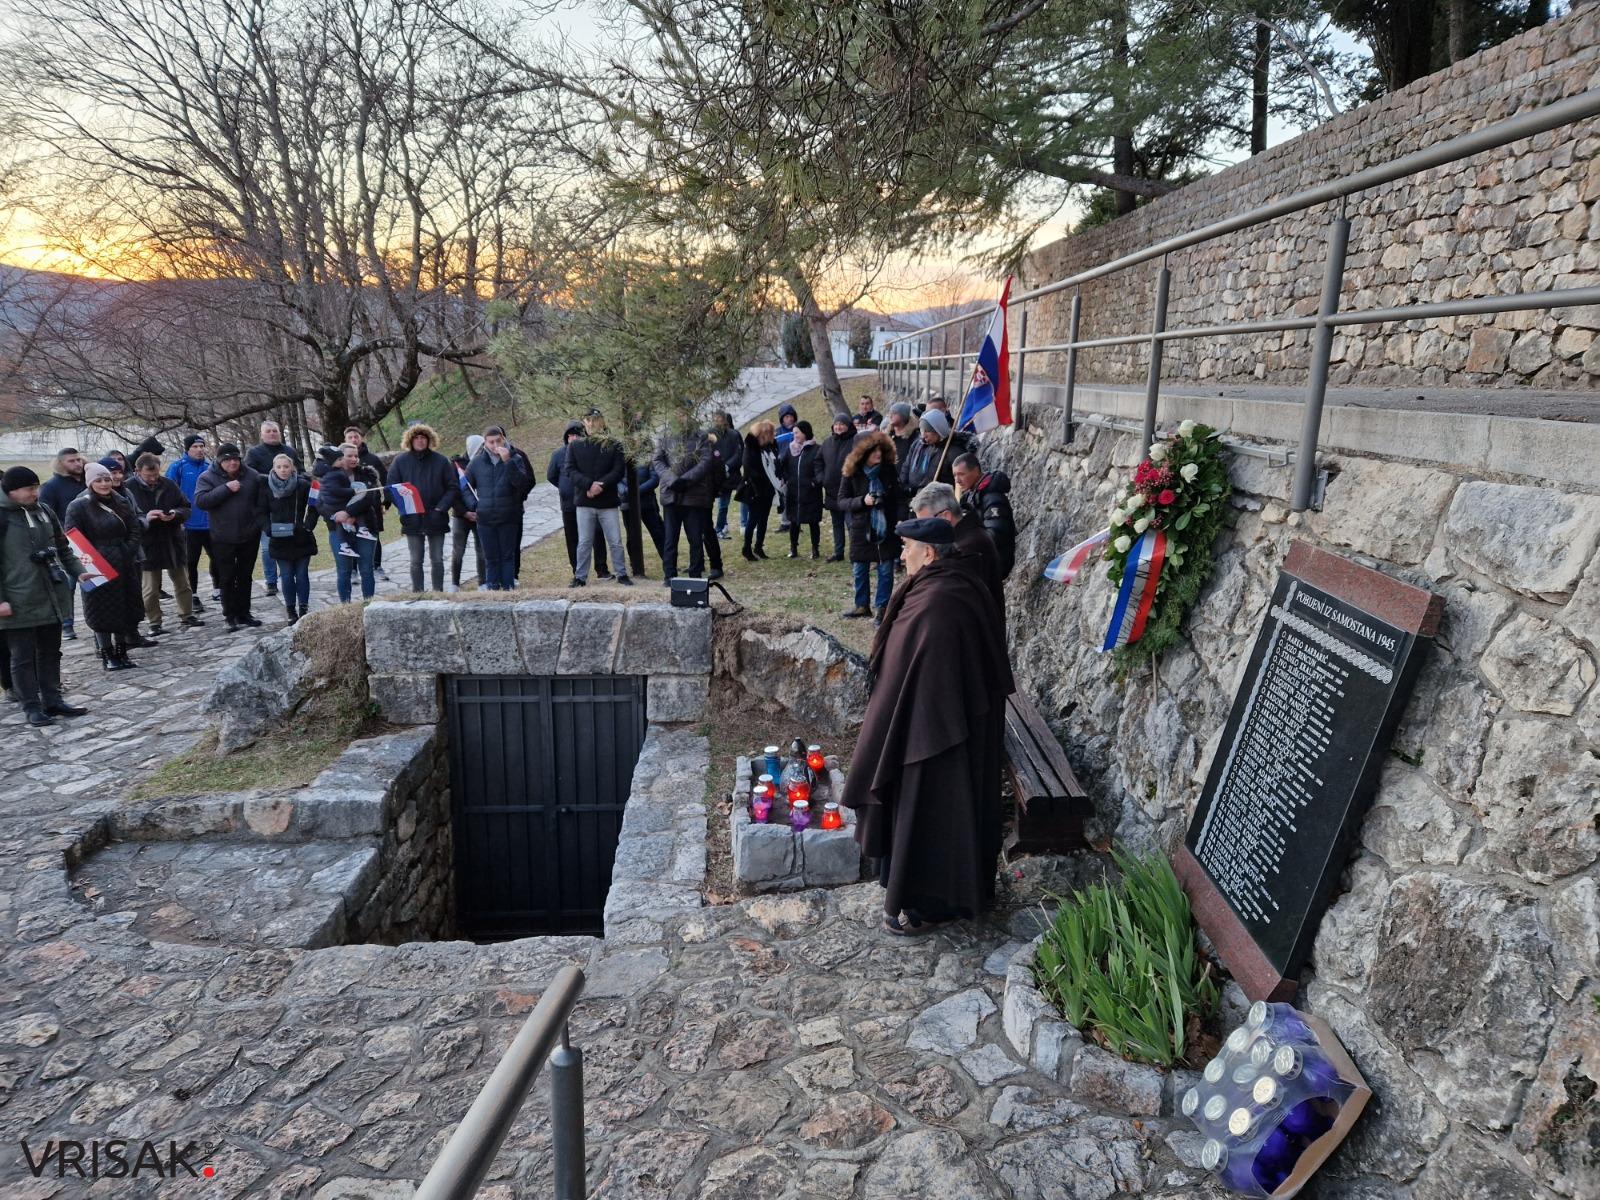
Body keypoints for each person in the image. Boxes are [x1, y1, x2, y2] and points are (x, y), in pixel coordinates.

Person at [841, 515, 1013, 934]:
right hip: (931, 724)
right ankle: (917, 892)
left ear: (930, 552)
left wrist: (901, 723)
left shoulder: (943, 600)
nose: (902, 555)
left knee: (935, 815)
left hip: (937, 735)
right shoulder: (944, 586)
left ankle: (933, 903)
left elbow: (924, 670)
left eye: (907, 548)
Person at [0, 466, 92, 725]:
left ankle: (52, 699)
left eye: (36, 487)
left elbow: (63, 547)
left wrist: (79, 571)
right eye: (29, 489)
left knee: (51, 651)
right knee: (22, 656)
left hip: (50, 594)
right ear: (12, 491)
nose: (35, 492)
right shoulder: (2, 516)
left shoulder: (43, 510)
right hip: (17, 600)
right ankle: (31, 706)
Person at [65, 463, 147, 668]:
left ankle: (122, 651)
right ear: (90, 482)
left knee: (123, 607)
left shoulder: (121, 501)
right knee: (100, 610)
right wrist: (91, 563)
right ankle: (107, 654)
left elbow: (134, 529)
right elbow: (73, 538)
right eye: (98, 480)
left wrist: (127, 550)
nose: (103, 484)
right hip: (94, 564)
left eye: (106, 479)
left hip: (123, 560)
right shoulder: (78, 506)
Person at [126, 452, 199, 635]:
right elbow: (126, 518)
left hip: (172, 540)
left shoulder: (168, 484)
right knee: (150, 589)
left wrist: (175, 514)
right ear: (137, 471)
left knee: (183, 582)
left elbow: (186, 507)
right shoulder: (129, 489)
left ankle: (187, 614)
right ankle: (154, 622)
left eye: (156, 474)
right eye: (148, 475)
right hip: (147, 543)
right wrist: (146, 518)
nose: (152, 479)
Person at [195, 444, 267, 629]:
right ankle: (230, 616)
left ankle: (244, 613)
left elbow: (262, 500)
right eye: (227, 459)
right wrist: (226, 488)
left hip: (249, 535)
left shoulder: (252, 475)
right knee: (226, 577)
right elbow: (201, 501)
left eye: (236, 459)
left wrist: (257, 522)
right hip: (222, 536)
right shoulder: (207, 477)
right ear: (220, 461)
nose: (233, 462)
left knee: (245, 576)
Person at [837, 430, 901, 622]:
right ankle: (861, 605)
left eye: (879, 450)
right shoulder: (851, 473)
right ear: (862, 453)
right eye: (873, 451)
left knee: (885, 570)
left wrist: (898, 516)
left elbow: (899, 498)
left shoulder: (888, 470)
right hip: (860, 527)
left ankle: (882, 608)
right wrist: (861, 502)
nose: (878, 454)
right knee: (860, 569)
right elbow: (841, 501)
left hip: (886, 527)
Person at [913, 481, 1004, 615]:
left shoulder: (968, 547)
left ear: (945, 517)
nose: (924, 531)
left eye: (926, 523)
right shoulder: (966, 537)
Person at [385, 423, 456, 593]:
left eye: (423, 437)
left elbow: (453, 487)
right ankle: (418, 593)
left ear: (429, 439)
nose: (420, 440)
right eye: (416, 437)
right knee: (416, 559)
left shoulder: (441, 460)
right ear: (410, 440)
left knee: (437, 558)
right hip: (412, 518)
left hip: (436, 516)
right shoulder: (400, 461)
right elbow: (392, 488)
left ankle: (438, 592)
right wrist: (405, 509)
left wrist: (441, 509)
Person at [565, 409, 632, 587]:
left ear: (602, 421)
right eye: (587, 419)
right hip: (585, 501)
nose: (591, 423)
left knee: (615, 541)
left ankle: (622, 574)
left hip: (607, 501)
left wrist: (600, 485)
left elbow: (618, 470)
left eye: (595, 419)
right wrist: (588, 485)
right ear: (583, 422)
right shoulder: (575, 445)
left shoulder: (614, 444)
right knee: (585, 542)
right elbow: (570, 470)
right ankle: (580, 577)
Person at [464, 426, 531, 591]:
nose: (495, 445)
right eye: (491, 442)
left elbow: (523, 484)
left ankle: (508, 589)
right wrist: (475, 505)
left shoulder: (515, 458)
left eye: (498, 441)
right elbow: (465, 487)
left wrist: (507, 461)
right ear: (485, 443)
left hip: (509, 515)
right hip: (485, 517)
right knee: (491, 558)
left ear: (504, 440)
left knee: (508, 556)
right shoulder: (477, 462)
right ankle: (493, 591)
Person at [245, 421, 304, 600]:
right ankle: (271, 581)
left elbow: (301, 471)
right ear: (262, 435)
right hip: (268, 504)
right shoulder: (254, 453)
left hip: (290, 506)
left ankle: (289, 575)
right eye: (268, 431)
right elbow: (249, 475)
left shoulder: (290, 451)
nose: (272, 434)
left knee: (292, 541)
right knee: (267, 546)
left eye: (275, 431)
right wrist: (271, 480)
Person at [320, 441, 384, 602]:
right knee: (344, 570)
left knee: (366, 569)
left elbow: (370, 498)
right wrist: (337, 516)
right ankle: (345, 607)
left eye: (356, 455)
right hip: (338, 529)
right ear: (340, 458)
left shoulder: (366, 474)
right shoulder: (327, 476)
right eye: (349, 456)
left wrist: (348, 513)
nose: (354, 459)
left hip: (365, 527)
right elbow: (319, 503)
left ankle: (368, 604)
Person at [258, 453, 318, 623]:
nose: (283, 470)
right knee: (286, 575)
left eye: (286, 466)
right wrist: (268, 529)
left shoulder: (303, 485)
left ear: (292, 467)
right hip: (279, 538)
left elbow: (314, 506)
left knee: (302, 574)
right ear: (273, 468)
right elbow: (260, 512)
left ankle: (304, 607)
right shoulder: (266, 487)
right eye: (279, 467)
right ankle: (290, 609)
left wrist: (308, 525)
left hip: (301, 537)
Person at [654, 426, 715, 581]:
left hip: (693, 495)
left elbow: (706, 461)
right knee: (670, 539)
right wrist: (672, 480)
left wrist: (686, 480)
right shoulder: (665, 434)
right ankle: (669, 575)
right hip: (671, 493)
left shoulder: (700, 436)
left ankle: (695, 574)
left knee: (695, 538)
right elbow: (658, 460)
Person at [549, 422, 609, 580]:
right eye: (570, 435)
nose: (573, 438)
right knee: (572, 537)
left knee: (596, 534)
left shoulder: (588, 452)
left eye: (577, 435)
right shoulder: (557, 455)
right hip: (568, 504)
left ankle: (602, 569)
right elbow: (551, 476)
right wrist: (564, 488)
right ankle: (577, 571)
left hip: (588, 501)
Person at [39, 447, 86, 640]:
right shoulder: (52, 486)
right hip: (67, 541)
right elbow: (45, 514)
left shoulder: (88, 480)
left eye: (78, 460)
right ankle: (67, 624)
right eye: (71, 461)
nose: (77, 464)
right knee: (69, 583)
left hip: (92, 538)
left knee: (93, 581)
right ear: (61, 464)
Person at [166, 435, 215, 612]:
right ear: (187, 449)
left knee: (217, 557)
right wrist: (176, 517)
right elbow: (168, 492)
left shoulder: (210, 467)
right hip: (189, 524)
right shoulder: (177, 467)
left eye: (202, 446)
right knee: (191, 561)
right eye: (195, 446)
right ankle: (193, 595)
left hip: (210, 522)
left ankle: (218, 589)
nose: (199, 449)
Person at [953, 453, 1017, 579]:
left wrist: (965, 545)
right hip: (981, 558)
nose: (957, 480)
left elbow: (996, 534)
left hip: (994, 561)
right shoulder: (971, 495)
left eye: (961, 474)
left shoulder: (992, 498)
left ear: (976, 471)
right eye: (954, 475)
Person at [342, 426, 390, 581]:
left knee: (374, 536)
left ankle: (377, 566)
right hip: (350, 508)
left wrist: (387, 500)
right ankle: (354, 570)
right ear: (345, 440)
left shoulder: (372, 459)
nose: (354, 439)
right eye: (350, 437)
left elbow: (385, 479)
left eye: (356, 436)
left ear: (361, 438)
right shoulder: (341, 462)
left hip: (372, 506)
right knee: (352, 537)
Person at [737, 420, 779, 562]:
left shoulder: (769, 447)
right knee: (753, 519)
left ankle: (758, 546)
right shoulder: (750, 448)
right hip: (754, 490)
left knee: (764, 520)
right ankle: (746, 548)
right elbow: (749, 470)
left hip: (767, 489)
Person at [781, 420, 824, 559]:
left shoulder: (816, 449)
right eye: (794, 433)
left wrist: (814, 482)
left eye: (797, 432)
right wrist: (787, 479)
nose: (795, 435)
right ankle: (793, 548)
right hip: (794, 492)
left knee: (813, 522)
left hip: (811, 493)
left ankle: (815, 549)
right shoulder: (790, 449)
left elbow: (821, 470)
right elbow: (783, 466)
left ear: (805, 432)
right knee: (794, 521)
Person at [817, 413, 856, 563]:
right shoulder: (827, 443)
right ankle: (838, 552)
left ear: (848, 426)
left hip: (849, 491)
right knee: (836, 524)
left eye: (842, 424)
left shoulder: (855, 441)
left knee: (851, 524)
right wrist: (822, 478)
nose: (839, 427)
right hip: (832, 491)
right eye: (836, 424)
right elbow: (818, 461)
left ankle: (855, 553)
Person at [448, 452, 484, 591]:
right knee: (458, 550)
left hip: (480, 514)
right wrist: (464, 512)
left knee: (481, 550)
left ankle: (483, 582)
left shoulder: (483, 462)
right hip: (460, 516)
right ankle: (454, 583)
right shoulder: (455, 465)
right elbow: (452, 491)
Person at [901, 409, 956, 495]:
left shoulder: (951, 451)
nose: (924, 435)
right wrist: (904, 487)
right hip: (913, 496)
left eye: (927, 431)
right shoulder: (917, 444)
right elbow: (906, 466)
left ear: (938, 430)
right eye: (922, 430)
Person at [620, 460, 665, 563]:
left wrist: (635, 491)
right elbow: (616, 476)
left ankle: (669, 562)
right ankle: (635, 565)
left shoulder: (647, 455)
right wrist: (625, 491)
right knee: (631, 537)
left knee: (658, 533)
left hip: (647, 502)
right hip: (627, 503)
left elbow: (654, 479)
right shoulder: (619, 454)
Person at [711, 410, 742, 539]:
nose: (718, 423)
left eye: (720, 420)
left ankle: (722, 528)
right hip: (715, 475)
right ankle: (715, 530)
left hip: (731, 475)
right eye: (716, 420)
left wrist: (728, 466)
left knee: (729, 502)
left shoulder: (734, 435)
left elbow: (739, 453)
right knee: (717, 505)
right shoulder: (710, 435)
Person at [775, 402, 799, 531]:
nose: (789, 419)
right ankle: (785, 522)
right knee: (783, 496)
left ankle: (795, 521)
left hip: (796, 468)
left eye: (791, 416)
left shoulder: (798, 430)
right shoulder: (777, 433)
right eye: (786, 417)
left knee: (795, 496)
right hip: (783, 470)